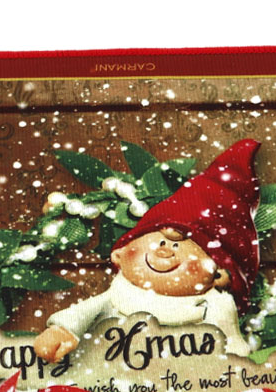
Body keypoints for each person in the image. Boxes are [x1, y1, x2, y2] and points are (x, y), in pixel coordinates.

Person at [34, 139, 261, 363]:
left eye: (178, 246)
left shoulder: (214, 307)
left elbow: (232, 350)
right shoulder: (118, 295)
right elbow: (82, 313)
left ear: (219, 276)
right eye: (160, 242)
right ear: (120, 254)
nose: (164, 252)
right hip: (114, 373)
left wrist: (232, 364)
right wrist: (63, 331)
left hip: (184, 378)